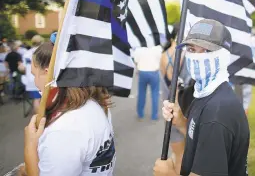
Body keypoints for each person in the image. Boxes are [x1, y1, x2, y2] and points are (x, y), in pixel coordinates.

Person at [154, 19, 250, 176]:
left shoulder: (217, 112)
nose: (197, 57)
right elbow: (201, 140)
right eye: (191, 50)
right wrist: (181, 122)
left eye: (206, 51)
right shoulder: (204, 93)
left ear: (223, 55)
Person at [19, 33, 116, 176]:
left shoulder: (64, 128)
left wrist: (29, 148)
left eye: (34, 74)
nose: (34, 81)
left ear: (47, 72)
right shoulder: (94, 102)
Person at [159, 23, 191, 174]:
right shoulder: (184, 55)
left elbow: (167, 83)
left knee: (178, 156)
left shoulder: (163, 56)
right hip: (183, 111)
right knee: (187, 156)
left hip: (169, 112)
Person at [132, 44, 162, 120]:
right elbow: (161, 60)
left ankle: (140, 113)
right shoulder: (158, 48)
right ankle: (154, 115)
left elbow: (135, 61)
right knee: (155, 94)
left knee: (141, 93)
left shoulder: (139, 48)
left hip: (142, 72)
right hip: (154, 72)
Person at [21, 35, 44, 114]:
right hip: (41, 79)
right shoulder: (42, 52)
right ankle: (40, 120)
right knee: (40, 100)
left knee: (37, 99)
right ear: (41, 42)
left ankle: (38, 119)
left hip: (31, 79)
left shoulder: (26, 53)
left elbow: (22, 68)